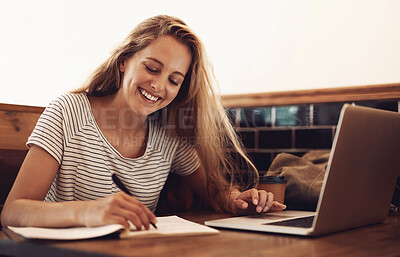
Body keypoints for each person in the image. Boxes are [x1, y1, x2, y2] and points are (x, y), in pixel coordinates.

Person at [1, 15, 286, 230]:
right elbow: (13, 211)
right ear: (124, 60)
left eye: (174, 80)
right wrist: (87, 212)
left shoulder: (169, 135)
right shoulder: (68, 112)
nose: (159, 86)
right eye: (151, 68)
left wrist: (236, 200)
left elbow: (215, 192)